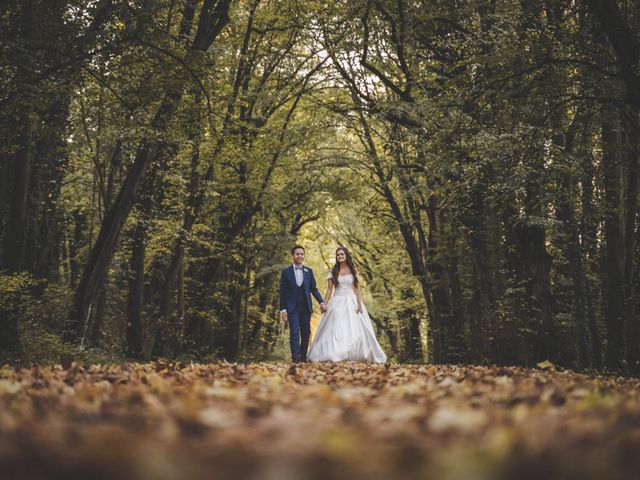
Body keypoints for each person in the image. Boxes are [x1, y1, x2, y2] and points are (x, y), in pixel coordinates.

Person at [308, 247, 387, 363]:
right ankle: (336, 353)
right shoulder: (333, 272)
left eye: (342, 254)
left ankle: (355, 353)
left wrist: (359, 304)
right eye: (338, 255)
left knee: (355, 328)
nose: (340, 256)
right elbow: (329, 290)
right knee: (337, 328)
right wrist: (324, 304)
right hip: (338, 301)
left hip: (352, 301)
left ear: (346, 255)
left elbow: (357, 288)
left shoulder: (353, 270)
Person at [279, 245, 326, 362]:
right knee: (294, 331)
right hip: (292, 308)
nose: (300, 256)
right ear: (293, 255)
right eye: (297, 254)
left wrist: (321, 301)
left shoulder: (309, 271)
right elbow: (282, 292)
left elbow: (313, 289)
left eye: (302, 254)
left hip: (306, 307)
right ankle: (295, 358)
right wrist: (283, 309)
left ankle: (303, 357)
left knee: (306, 332)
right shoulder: (286, 272)